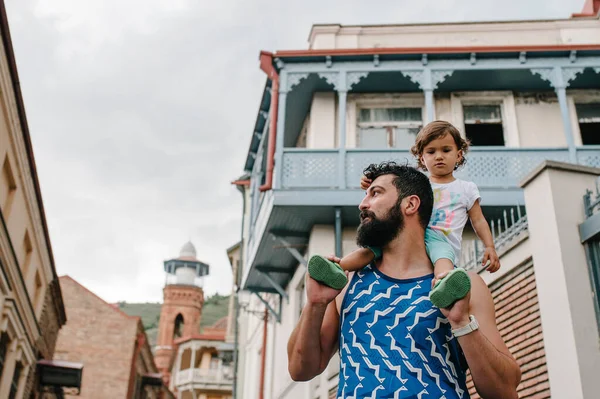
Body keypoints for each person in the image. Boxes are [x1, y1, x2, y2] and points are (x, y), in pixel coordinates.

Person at [287, 162, 521, 399]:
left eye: (376, 193)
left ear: (410, 204)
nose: (362, 204)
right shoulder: (347, 284)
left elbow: (504, 391)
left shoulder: (463, 286)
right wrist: (315, 304)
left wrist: (461, 323)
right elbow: (300, 370)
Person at [308, 121, 500, 308]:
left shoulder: (466, 188)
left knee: (443, 259)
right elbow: (391, 191)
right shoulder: (419, 185)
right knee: (371, 249)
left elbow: (478, 220)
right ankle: (338, 269)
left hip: (441, 239)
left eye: (446, 150)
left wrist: (489, 246)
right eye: (431, 152)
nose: (439, 156)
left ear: (459, 155)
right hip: (409, 235)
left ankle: (445, 285)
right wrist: (371, 182)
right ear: (422, 158)